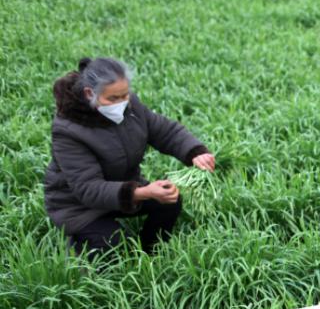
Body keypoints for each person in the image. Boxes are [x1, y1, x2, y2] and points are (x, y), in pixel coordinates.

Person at [43, 57, 214, 257]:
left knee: (169, 200)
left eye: (125, 95)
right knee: (114, 244)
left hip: (123, 189)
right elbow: (88, 189)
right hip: (79, 206)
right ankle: (79, 242)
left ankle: (151, 251)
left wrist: (196, 152)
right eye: (113, 99)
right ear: (90, 94)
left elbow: (164, 131)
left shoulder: (130, 106)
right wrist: (143, 192)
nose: (122, 103)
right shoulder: (68, 131)